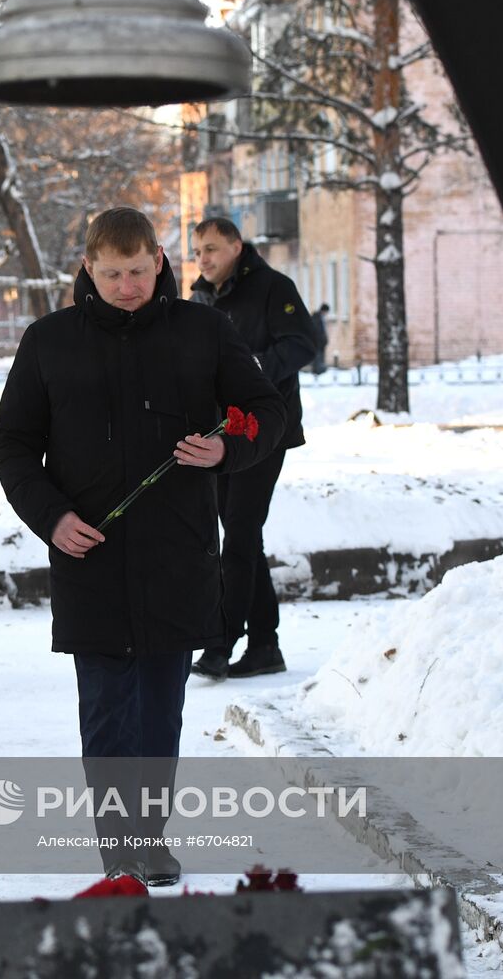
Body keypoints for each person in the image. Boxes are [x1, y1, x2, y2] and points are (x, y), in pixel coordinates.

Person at [0, 207, 285, 886]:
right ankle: (116, 844)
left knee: (158, 705)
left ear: (159, 260)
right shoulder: (48, 340)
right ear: (88, 267)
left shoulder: (204, 330)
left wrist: (223, 450)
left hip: (175, 553)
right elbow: (11, 445)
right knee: (104, 705)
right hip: (87, 555)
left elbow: (266, 411)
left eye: (137, 270)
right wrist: (51, 517)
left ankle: (148, 837)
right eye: (112, 273)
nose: (126, 286)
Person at [188, 217, 318, 681]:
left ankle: (221, 642)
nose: (203, 259)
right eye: (198, 251)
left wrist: (255, 367)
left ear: (237, 247)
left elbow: (304, 343)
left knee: (240, 531)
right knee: (241, 531)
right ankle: (266, 644)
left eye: (211, 249)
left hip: (266, 428)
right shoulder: (200, 296)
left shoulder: (272, 287)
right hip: (221, 433)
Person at [311, 303, 331, 374]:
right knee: (317, 358)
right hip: (317, 343)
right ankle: (317, 372)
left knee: (320, 357)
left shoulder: (321, 317)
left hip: (321, 343)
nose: (326, 314)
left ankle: (319, 371)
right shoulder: (316, 317)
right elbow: (317, 331)